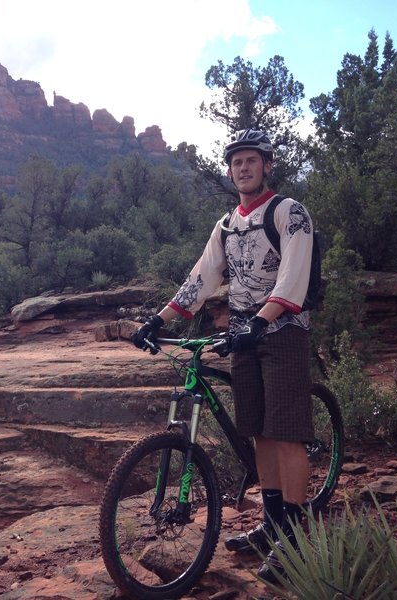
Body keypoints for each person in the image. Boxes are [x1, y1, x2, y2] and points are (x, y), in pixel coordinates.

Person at [131, 128, 316, 582]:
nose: (244, 168)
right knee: (258, 432)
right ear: (230, 170)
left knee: (286, 434)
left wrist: (261, 320)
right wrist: (157, 320)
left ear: (267, 165)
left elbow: (294, 276)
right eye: (237, 163)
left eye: (252, 160)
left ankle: (295, 540)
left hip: (283, 331)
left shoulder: (289, 212)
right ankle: (272, 525)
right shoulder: (228, 224)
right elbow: (201, 279)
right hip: (242, 336)